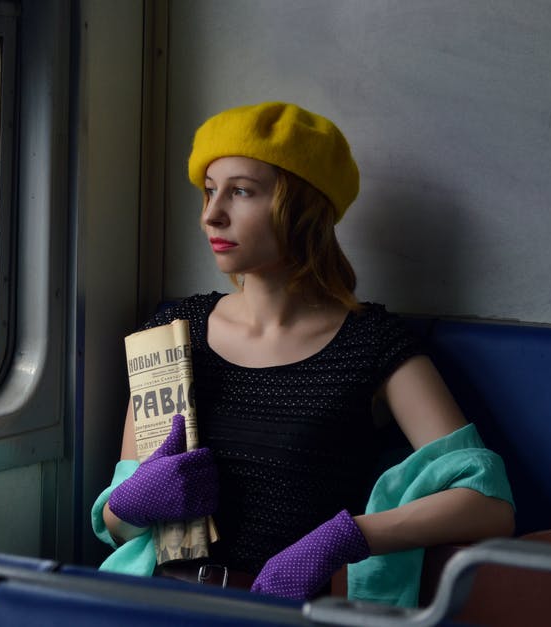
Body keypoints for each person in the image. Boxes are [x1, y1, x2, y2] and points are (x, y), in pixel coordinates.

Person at [90, 102, 516, 606]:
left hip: (292, 613)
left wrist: (348, 537)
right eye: (209, 191)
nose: (212, 214)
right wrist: (132, 503)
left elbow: (487, 505)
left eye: (241, 191)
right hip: (160, 604)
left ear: (302, 208)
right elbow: (116, 529)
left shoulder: (371, 345)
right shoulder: (172, 333)